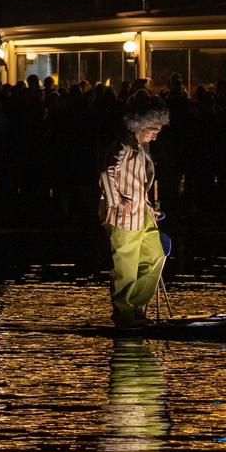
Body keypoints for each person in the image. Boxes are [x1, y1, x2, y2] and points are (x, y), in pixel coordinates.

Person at [99, 104, 169, 328]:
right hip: (124, 216)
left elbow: (139, 182)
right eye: (153, 132)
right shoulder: (122, 147)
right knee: (126, 266)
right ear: (139, 127)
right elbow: (105, 172)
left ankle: (135, 304)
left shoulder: (140, 149)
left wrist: (148, 205)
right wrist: (116, 201)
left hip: (142, 212)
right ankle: (124, 312)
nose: (154, 137)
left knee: (156, 256)